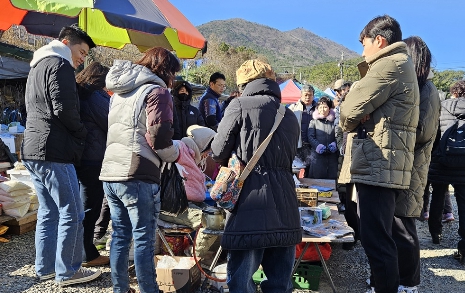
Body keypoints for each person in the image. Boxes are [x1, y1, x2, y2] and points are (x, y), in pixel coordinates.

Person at [338, 15, 420, 293]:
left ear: (379, 41)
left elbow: (349, 109)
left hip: (379, 165)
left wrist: (358, 115)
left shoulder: (389, 64)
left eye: (364, 45)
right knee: (382, 238)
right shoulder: (401, 64)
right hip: (384, 164)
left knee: (377, 241)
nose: (363, 52)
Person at [211, 59, 301, 293]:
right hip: (285, 205)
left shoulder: (238, 105)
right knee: (280, 284)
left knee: (241, 284)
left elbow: (218, 150)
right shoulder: (289, 115)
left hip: (249, 202)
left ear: (243, 84)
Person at [21, 24, 101, 286]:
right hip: (54, 150)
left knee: (48, 212)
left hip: (33, 149)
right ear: (67, 43)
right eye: (82, 51)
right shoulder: (60, 64)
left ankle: (45, 267)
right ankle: (68, 270)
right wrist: (81, 133)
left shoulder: (36, 66)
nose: (82, 58)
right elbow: (64, 108)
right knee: (73, 211)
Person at [99, 47, 181, 293]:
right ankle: (148, 289)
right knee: (144, 238)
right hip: (137, 172)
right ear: (164, 70)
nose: (174, 79)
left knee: (120, 236)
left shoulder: (119, 92)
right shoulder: (157, 92)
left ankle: (120, 289)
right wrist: (177, 154)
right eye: (173, 73)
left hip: (110, 172)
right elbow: (160, 137)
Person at [392, 35, 440, 293]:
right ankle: (393, 278)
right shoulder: (413, 88)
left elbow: (422, 131)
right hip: (399, 165)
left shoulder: (428, 91)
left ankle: (409, 283)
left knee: (405, 227)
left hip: (412, 168)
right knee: (394, 226)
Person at [74, 62, 111, 267]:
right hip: (93, 159)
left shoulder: (80, 93)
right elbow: (111, 121)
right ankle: (87, 254)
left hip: (83, 157)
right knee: (91, 208)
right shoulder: (95, 96)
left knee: (85, 206)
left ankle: (83, 250)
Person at [428, 80, 465, 261]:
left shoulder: (443, 108)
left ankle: (436, 234)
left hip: (441, 161)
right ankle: (463, 247)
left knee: (438, 197)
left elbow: (434, 134)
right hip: (463, 165)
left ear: (454, 92)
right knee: (463, 204)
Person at [307, 96, 338, 179]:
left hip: (332, 157)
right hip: (317, 157)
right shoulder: (313, 122)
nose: (322, 110)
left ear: (329, 108)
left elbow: (338, 135)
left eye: (325, 107)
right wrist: (318, 146)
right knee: (317, 181)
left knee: (331, 181)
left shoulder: (334, 121)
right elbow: (310, 136)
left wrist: (335, 144)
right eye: (320, 107)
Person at [288, 84, 317, 175]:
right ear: (301, 95)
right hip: (298, 144)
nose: (308, 97)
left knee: (311, 169)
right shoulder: (293, 108)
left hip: (313, 144)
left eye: (310, 95)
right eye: (305, 95)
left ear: (313, 96)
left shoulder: (318, 108)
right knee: (295, 167)